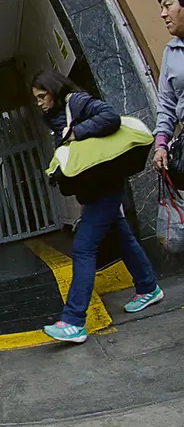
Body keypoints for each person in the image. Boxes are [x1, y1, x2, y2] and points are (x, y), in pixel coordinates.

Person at [32, 71, 163, 343]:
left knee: (83, 247)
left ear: (53, 90)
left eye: (42, 96)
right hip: (95, 190)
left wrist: (77, 133)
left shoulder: (76, 102)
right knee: (123, 238)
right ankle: (149, 287)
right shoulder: (57, 117)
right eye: (36, 99)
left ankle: (73, 321)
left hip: (106, 186)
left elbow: (110, 117)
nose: (40, 103)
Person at [153, 0, 184, 172]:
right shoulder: (170, 53)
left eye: (168, 5)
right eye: (162, 9)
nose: (163, 14)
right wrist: (161, 144)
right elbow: (166, 104)